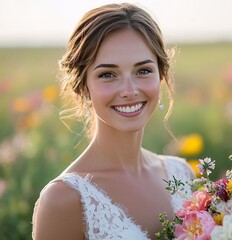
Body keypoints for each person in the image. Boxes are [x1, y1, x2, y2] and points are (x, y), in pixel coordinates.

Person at [32, 3, 194, 240]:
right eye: (108, 74)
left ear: (161, 75)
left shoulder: (182, 175)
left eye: (143, 71)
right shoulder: (64, 200)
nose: (129, 91)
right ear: (84, 87)